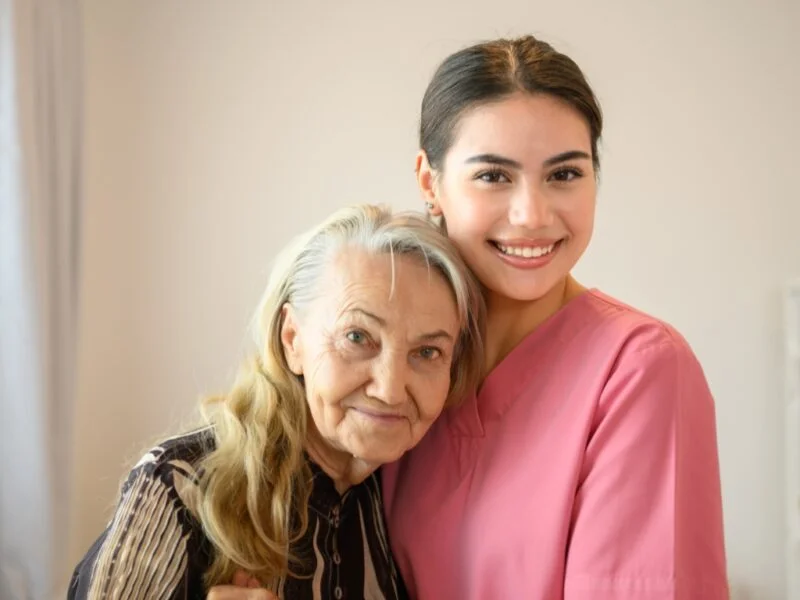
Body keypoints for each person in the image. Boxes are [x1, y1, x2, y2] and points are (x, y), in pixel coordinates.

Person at [380, 35, 729, 599]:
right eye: (494, 176)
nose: (532, 215)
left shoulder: (640, 371)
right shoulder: (393, 360)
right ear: (430, 182)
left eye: (564, 174)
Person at [67, 205, 484, 600]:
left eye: (427, 352)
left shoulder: (404, 495)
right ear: (292, 340)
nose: (391, 389)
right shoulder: (180, 487)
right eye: (357, 337)